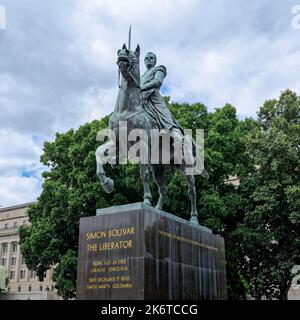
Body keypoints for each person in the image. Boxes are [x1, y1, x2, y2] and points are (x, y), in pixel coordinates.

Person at [140, 52, 183, 138]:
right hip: (140, 98)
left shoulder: (159, 68)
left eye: (151, 58)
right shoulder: (141, 76)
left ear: (155, 61)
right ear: (144, 61)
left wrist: (141, 87)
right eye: (147, 58)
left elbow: (158, 81)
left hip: (153, 97)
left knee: (164, 114)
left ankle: (176, 135)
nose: (148, 59)